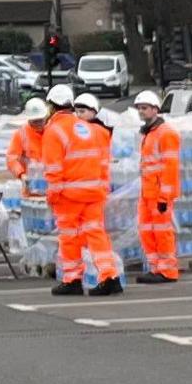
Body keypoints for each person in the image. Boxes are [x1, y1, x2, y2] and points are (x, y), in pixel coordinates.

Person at [41, 92, 120, 298]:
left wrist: (52, 196)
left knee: (69, 237)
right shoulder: (88, 128)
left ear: (52, 106)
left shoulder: (54, 131)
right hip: (93, 192)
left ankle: (72, 279)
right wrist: (102, 188)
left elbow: (54, 169)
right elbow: (102, 162)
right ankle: (109, 276)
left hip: (69, 195)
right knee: (97, 235)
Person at [127, 89, 181, 285]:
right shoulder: (149, 134)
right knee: (146, 231)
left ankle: (167, 270)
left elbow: (170, 167)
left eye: (145, 108)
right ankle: (156, 268)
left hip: (159, 194)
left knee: (161, 232)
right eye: (139, 108)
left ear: (155, 109)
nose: (141, 112)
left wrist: (164, 197)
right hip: (147, 193)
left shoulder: (166, 134)